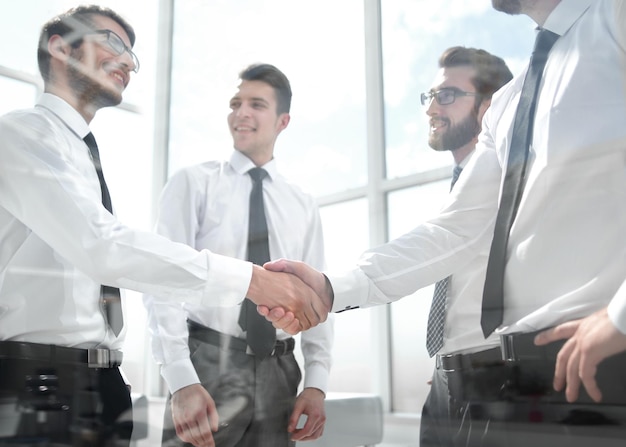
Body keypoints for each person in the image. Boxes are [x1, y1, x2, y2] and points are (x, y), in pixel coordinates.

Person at [263, 0, 626, 445]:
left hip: (594, 363)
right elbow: (455, 229)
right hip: (519, 380)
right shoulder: (511, 103)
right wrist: (333, 287)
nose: (434, 106)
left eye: (449, 95)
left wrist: (621, 317)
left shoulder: (614, 19)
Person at [0, 6, 324, 446]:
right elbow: (104, 248)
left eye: (133, 55)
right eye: (112, 42)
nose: (128, 62)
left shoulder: (79, 154)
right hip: (41, 383)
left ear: (283, 121)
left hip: (99, 381)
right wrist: (249, 282)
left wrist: (317, 377)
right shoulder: (21, 135)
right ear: (58, 46)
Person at [144, 63, 333, 447]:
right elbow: (161, 282)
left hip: (282, 371)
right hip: (207, 365)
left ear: (283, 121)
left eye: (256, 104)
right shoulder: (193, 183)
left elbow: (318, 297)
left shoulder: (303, 204)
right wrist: (182, 379)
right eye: (235, 103)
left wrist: (316, 384)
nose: (241, 113)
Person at [418, 46, 512, 447]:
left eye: (448, 95)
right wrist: (450, 359)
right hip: (443, 381)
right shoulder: (454, 188)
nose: (431, 109)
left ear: (490, 107)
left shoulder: (515, 179)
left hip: (501, 384)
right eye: (431, 96)